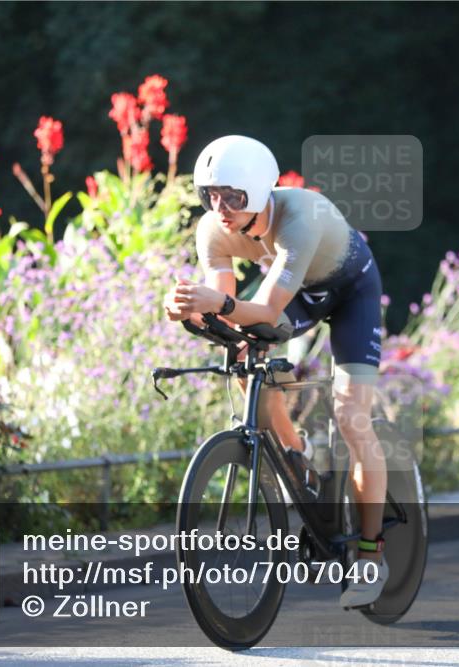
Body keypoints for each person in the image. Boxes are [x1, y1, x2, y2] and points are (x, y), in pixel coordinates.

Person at [163, 135, 389, 607]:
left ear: (261, 192)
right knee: (245, 356)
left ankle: (371, 553)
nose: (220, 208)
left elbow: (264, 308)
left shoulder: (300, 217)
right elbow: (228, 314)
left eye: (233, 196)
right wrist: (186, 309)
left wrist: (219, 303)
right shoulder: (214, 230)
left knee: (351, 416)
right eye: (211, 196)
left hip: (350, 293)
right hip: (301, 293)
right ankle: (296, 454)